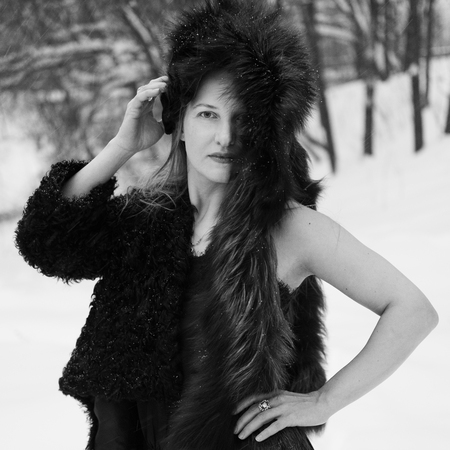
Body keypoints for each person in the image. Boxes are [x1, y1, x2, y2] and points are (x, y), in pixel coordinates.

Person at [15, 0, 438, 449]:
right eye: (208, 114)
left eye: (244, 119)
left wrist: (323, 401)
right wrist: (122, 146)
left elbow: (412, 310)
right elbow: (47, 240)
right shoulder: (146, 221)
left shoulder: (288, 228)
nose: (225, 137)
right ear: (179, 122)